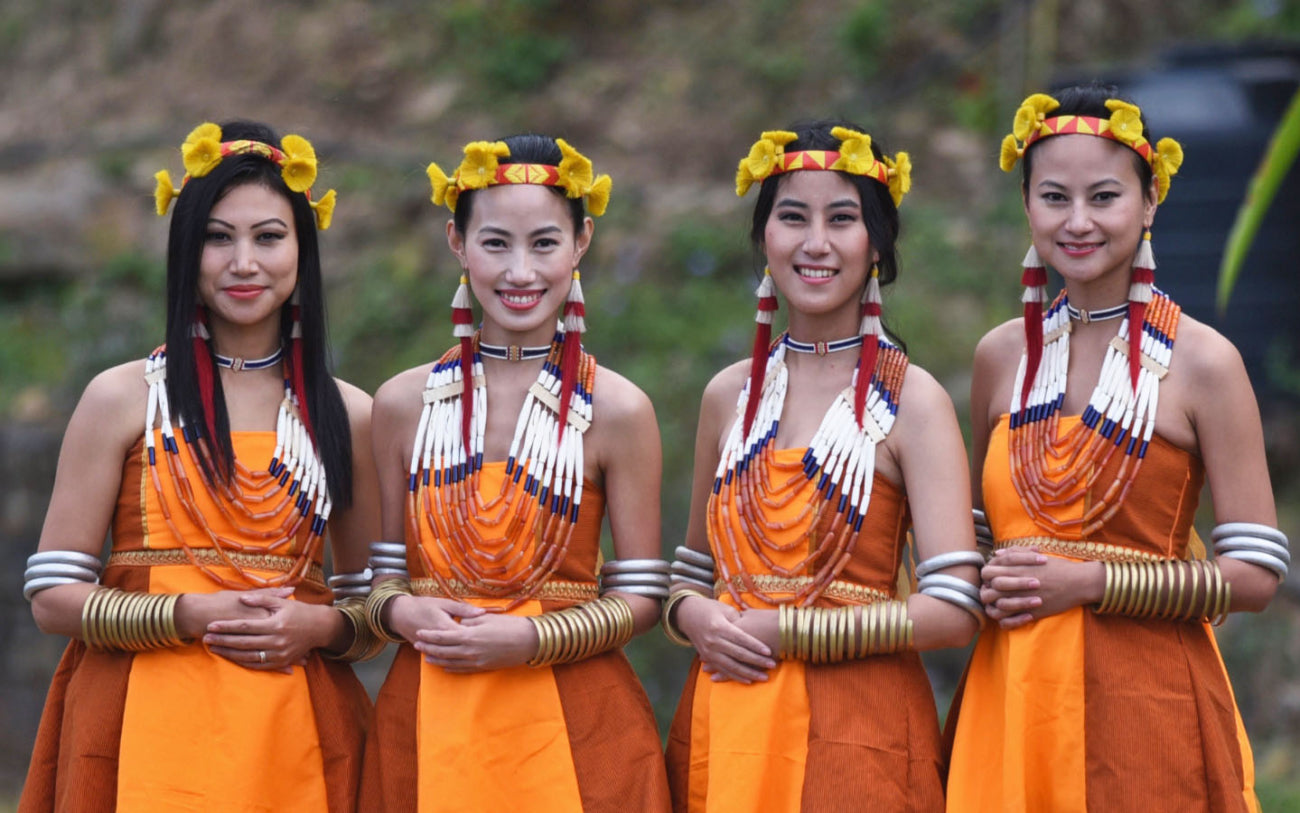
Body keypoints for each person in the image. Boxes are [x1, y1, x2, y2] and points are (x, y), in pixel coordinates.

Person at [19, 120, 381, 812]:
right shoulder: (123, 397)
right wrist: (190, 612)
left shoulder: (349, 412)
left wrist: (320, 626)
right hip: (135, 723)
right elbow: (53, 592)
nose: (244, 261)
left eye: (269, 237)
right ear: (187, 251)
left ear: (303, 250)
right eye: (219, 237)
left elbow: (372, 602)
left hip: (295, 728)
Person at [945, 84, 1288, 812]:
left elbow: (1256, 572)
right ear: (1027, 205)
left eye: (1103, 197)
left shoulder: (1202, 362)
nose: (1077, 222)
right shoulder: (1001, 357)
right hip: (1012, 693)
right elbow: (980, 531)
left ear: (1150, 201)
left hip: (1147, 701)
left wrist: (1090, 582)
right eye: (1053, 198)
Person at [662, 122, 984, 812]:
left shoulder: (912, 401)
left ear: (877, 243)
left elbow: (956, 606)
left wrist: (789, 631)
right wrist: (692, 615)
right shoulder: (729, 395)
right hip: (726, 720)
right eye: (791, 217)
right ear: (763, 238)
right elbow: (692, 570)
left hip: (858, 735)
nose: (815, 243)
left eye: (842, 218)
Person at [360, 134, 671, 811]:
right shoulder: (401, 403)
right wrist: (404, 608)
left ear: (582, 242)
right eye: (496, 243)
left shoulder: (617, 409)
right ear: (456, 241)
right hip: (427, 716)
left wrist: (530, 637)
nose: (521, 272)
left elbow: (644, 594)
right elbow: (378, 576)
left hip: (580, 727)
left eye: (545, 243)